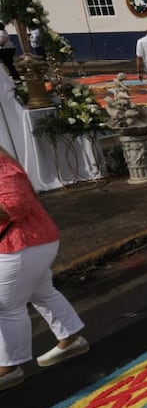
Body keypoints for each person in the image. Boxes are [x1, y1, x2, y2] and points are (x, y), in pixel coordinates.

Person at [0, 147, 88, 393]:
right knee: (41, 292)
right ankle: (70, 338)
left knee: (8, 306)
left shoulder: (4, 168)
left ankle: (9, 367)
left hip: (24, 243)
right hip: (27, 243)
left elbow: (14, 208)